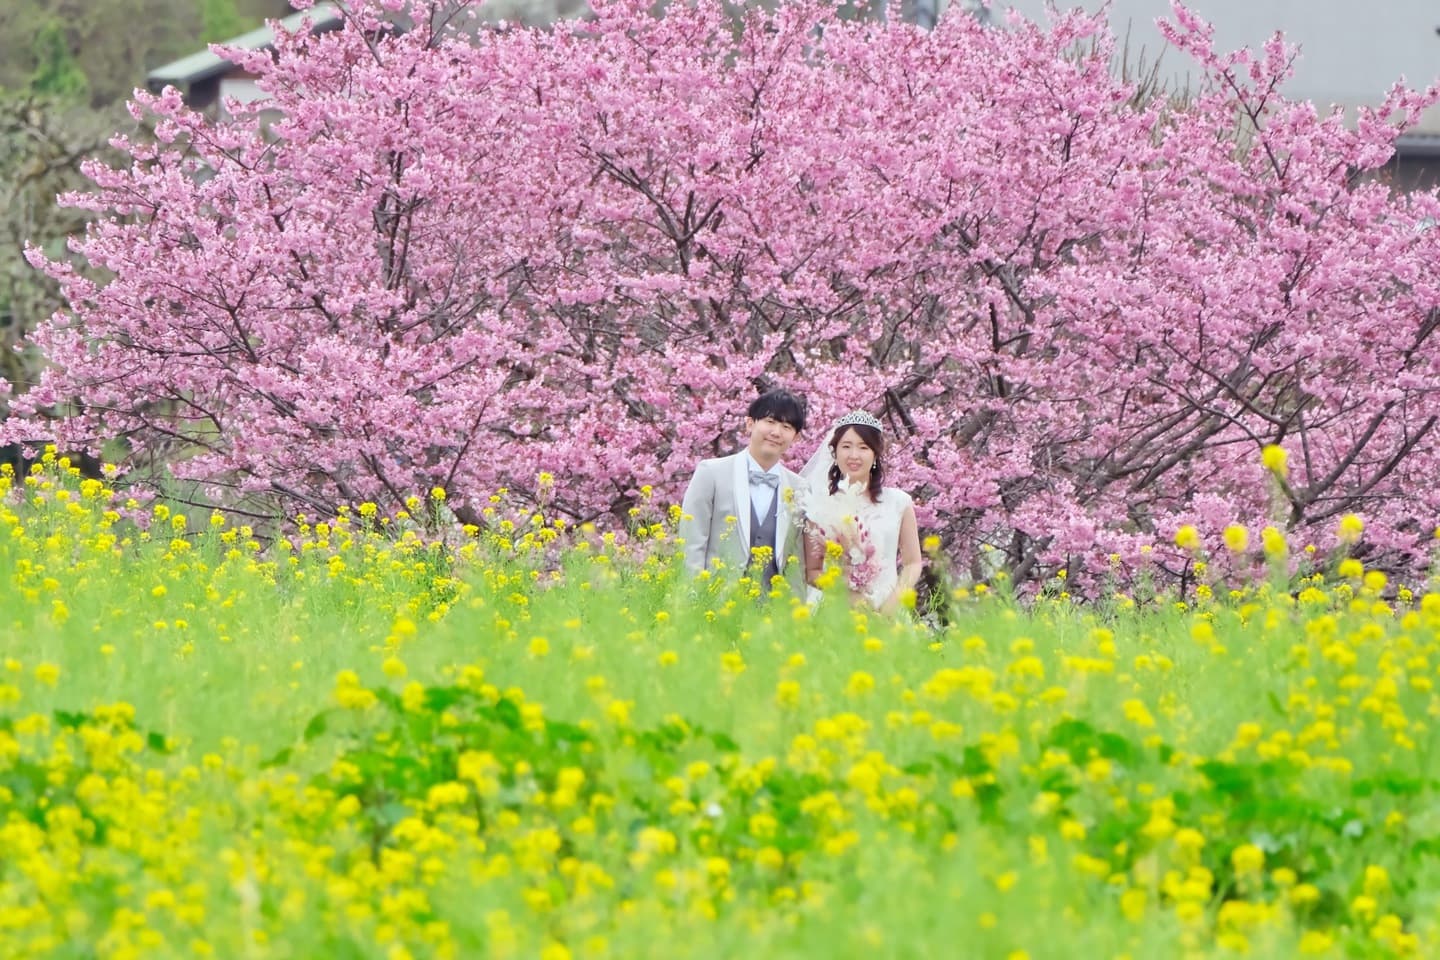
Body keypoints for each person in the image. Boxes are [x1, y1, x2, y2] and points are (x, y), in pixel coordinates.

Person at [678, 389, 809, 590]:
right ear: (750, 424)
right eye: (770, 422)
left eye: (786, 426)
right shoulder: (711, 472)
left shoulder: (800, 488)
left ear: (796, 437)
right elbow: (692, 543)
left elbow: (797, 559)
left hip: (774, 608)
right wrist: (694, 597)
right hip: (716, 602)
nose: (776, 432)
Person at [800, 411, 922, 615]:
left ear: (875, 455)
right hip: (833, 611)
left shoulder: (899, 502)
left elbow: (913, 562)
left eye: (863, 447)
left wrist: (889, 609)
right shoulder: (818, 505)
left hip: (887, 610)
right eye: (846, 446)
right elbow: (813, 571)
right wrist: (851, 598)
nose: (854, 455)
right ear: (835, 452)